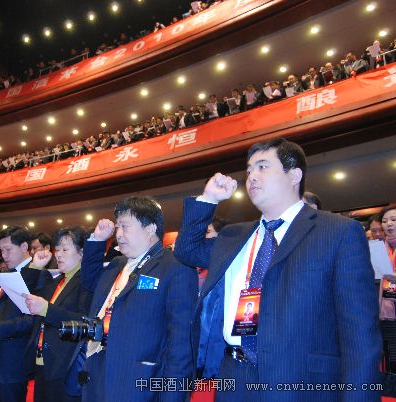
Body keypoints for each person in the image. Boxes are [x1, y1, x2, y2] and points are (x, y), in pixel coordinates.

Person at [174, 138, 381, 401]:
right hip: (235, 377)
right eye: (249, 170)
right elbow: (187, 250)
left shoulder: (337, 232)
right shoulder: (234, 236)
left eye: (262, 167)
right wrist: (209, 198)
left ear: (294, 175)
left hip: (301, 381)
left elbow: (359, 334)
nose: (252, 177)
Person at [79, 196, 198, 402]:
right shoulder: (116, 264)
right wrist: (97, 239)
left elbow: (181, 343)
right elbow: (89, 282)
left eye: (125, 226)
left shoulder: (175, 267)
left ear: (150, 228)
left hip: (139, 384)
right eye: (117, 227)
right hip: (97, 372)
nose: (118, 234)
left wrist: (174, 395)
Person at [22, 227, 93, 402]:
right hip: (42, 362)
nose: (58, 254)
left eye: (65, 249)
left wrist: (47, 309)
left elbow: (84, 321)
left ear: (82, 252)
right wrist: (35, 266)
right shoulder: (56, 282)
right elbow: (24, 295)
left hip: (65, 365)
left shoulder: (87, 282)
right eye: (57, 249)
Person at [0, 225, 41, 402]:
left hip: (12, 357)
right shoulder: (4, 274)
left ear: (24, 246)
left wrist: (0, 327)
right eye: (2, 250)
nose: (4, 255)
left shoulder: (38, 274)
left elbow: (34, 320)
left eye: (8, 249)